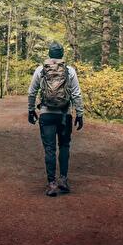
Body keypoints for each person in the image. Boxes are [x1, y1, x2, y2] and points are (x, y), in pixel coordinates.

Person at [28, 41, 84, 196]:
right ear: (62, 54)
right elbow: (76, 94)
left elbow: (32, 92)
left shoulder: (41, 69)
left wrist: (31, 110)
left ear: (49, 53)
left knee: (50, 149)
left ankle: (52, 184)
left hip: (46, 114)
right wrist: (79, 114)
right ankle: (63, 180)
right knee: (64, 146)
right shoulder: (69, 70)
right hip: (64, 115)